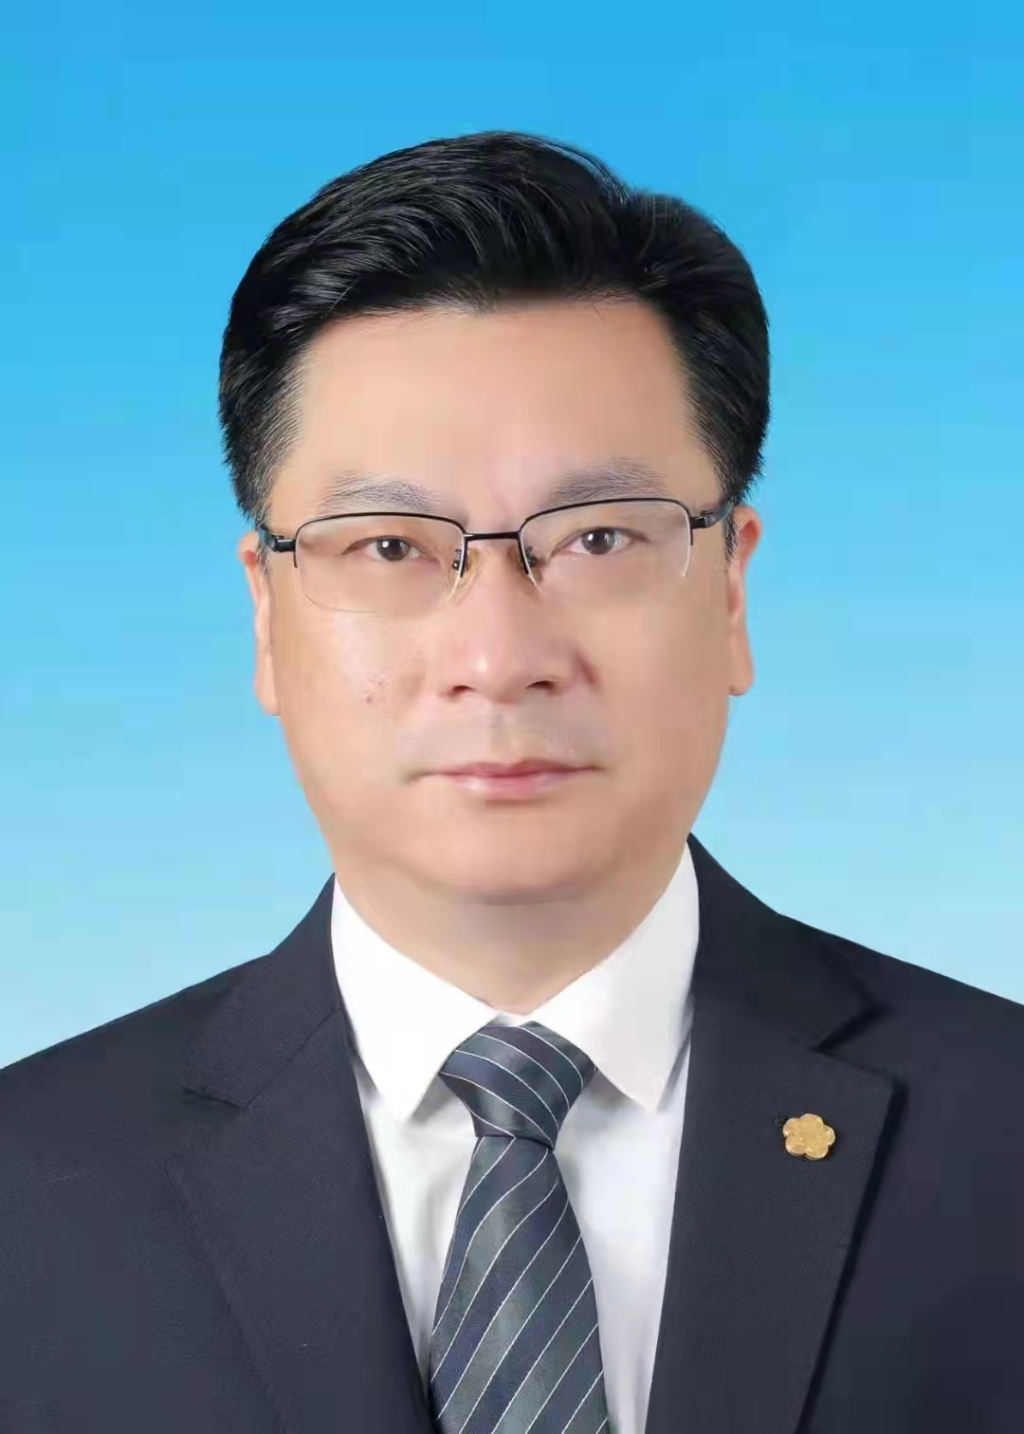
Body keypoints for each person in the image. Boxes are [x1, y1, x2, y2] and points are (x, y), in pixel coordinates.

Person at [1, 129, 1021, 1434]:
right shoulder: (30, 1192)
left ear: (732, 589)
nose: (499, 657)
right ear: (265, 613)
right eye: (389, 546)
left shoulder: (1001, 1138)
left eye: (599, 538)